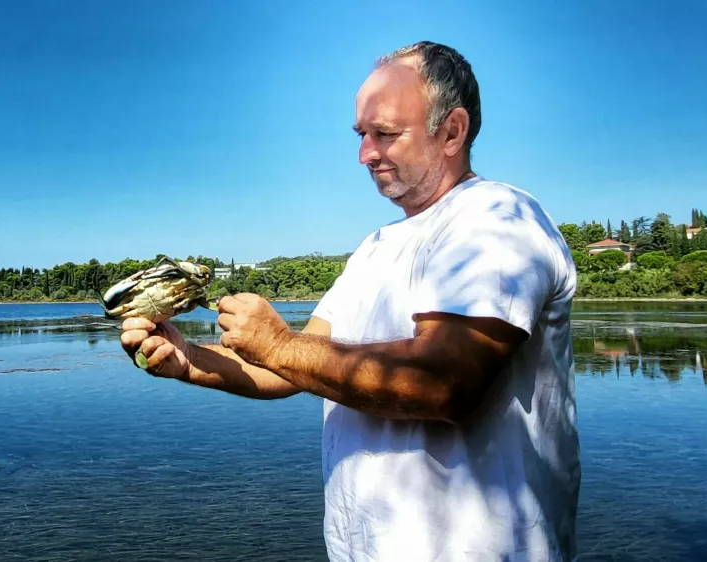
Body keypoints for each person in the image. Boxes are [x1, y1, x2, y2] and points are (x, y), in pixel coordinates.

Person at [121, 41, 580, 562]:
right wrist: (189, 360)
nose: (365, 154)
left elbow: (443, 382)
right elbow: (292, 366)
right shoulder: (376, 248)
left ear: (452, 130)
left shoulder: (496, 218)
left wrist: (276, 345)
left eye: (385, 133)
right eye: (362, 134)